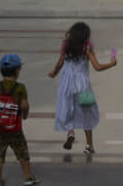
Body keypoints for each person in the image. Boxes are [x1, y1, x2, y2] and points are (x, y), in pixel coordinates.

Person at [50, 20, 117, 155]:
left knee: (67, 108)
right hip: (83, 86)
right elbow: (97, 67)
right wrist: (112, 63)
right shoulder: (87, 48)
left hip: (66, 85)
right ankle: (89, 145)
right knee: (88, 112)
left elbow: (59, 63)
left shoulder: (66, 46)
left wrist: (54, 73)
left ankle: (70, 132)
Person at [0, 52, 38, 186]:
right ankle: (28, 177)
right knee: (22, 152)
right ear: (16, 71)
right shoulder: (20, 87)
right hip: (14, 127)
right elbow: (24, 105)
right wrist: (25, 115)